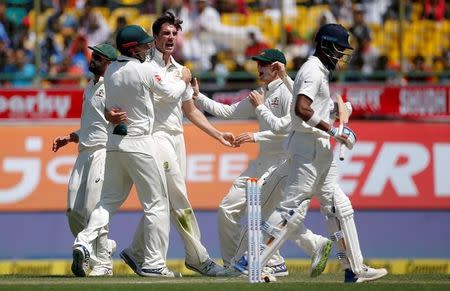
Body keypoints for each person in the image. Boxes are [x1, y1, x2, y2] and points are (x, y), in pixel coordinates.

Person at [249, 23, 388, 283]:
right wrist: (333, 129)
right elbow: (301, 109)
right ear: (325, 45)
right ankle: (256, 264)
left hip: (318, 148)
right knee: (291, 208)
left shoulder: (318, 71)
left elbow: (312, 109)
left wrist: (335, 113)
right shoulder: (313, 71)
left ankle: (354, 269)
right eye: (339, 49)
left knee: (338, 206)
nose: (341, 55)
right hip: (310, 147)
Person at [108, 12, 237, 277]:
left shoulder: (180, 70)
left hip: (177, 138)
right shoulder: (145, 65)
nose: (170, 37)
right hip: (154, 138)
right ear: (154, 38)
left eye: (174, 33)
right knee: (178, 198)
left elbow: (189, 110)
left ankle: (136, 251)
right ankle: (199, 259)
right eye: (165, 33)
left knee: (165, 201)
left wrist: (217, 134)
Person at [192, 48, 332, 277]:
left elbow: (286, 128)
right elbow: (227, 112)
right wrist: (198, 97)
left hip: (281, 163)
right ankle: (236, 265)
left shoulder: (289, 93)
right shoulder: (261, 93)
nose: (260, 68)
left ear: (277, 67)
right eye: (259, 63)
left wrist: (257, 126)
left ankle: (261, 262)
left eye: (265, 64)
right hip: (260, 162)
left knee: (263, 218)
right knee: (227, 209)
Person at [71, 25, 191, 278]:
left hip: (114, 145)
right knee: (157, 204)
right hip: (140, 144)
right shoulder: (145, 69)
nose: (149, 47)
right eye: (145, 45)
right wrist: (184, 80)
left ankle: (83, 239)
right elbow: (170, 94)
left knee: (107, 202)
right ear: (132, 48)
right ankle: (154, 264)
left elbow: (105, 107)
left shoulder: (112, 70)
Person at [52, 43, 118, 276]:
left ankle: (103, 264)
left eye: (98, 57)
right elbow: (90, 125)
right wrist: (69, 137)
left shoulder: (114, 87)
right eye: (93, 56)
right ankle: (102, 247)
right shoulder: (89, 87)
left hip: (102, 152)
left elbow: (120, 120)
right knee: (73, 211)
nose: (93, 59)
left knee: (93, 208)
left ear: (109, 64)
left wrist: (117, 119)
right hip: (83, 152)